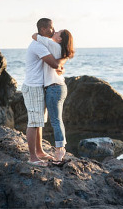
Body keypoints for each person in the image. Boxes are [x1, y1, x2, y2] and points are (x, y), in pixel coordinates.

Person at [21, 18, 66, 167]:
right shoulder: (38, 46)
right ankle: (33, 157)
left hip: (39, 86)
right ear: (43, 29)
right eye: (51, 28)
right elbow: (54, 63)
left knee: (39, 122)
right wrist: (61, 63)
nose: (53, 30)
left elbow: (56, 62)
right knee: (34, 122)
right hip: (33, 86)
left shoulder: (41, 43)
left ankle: (39, 152)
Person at [33, 29, 75, 163]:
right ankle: (60, 147)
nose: (54, 32)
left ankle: (60, 150)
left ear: (60, 39)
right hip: (59, 87)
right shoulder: (60, 49)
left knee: (56, 121)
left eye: (57, 32)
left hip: (54, 88)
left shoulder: (53, 45)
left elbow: (34, 35)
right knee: (58, 120)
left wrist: (46, 34)